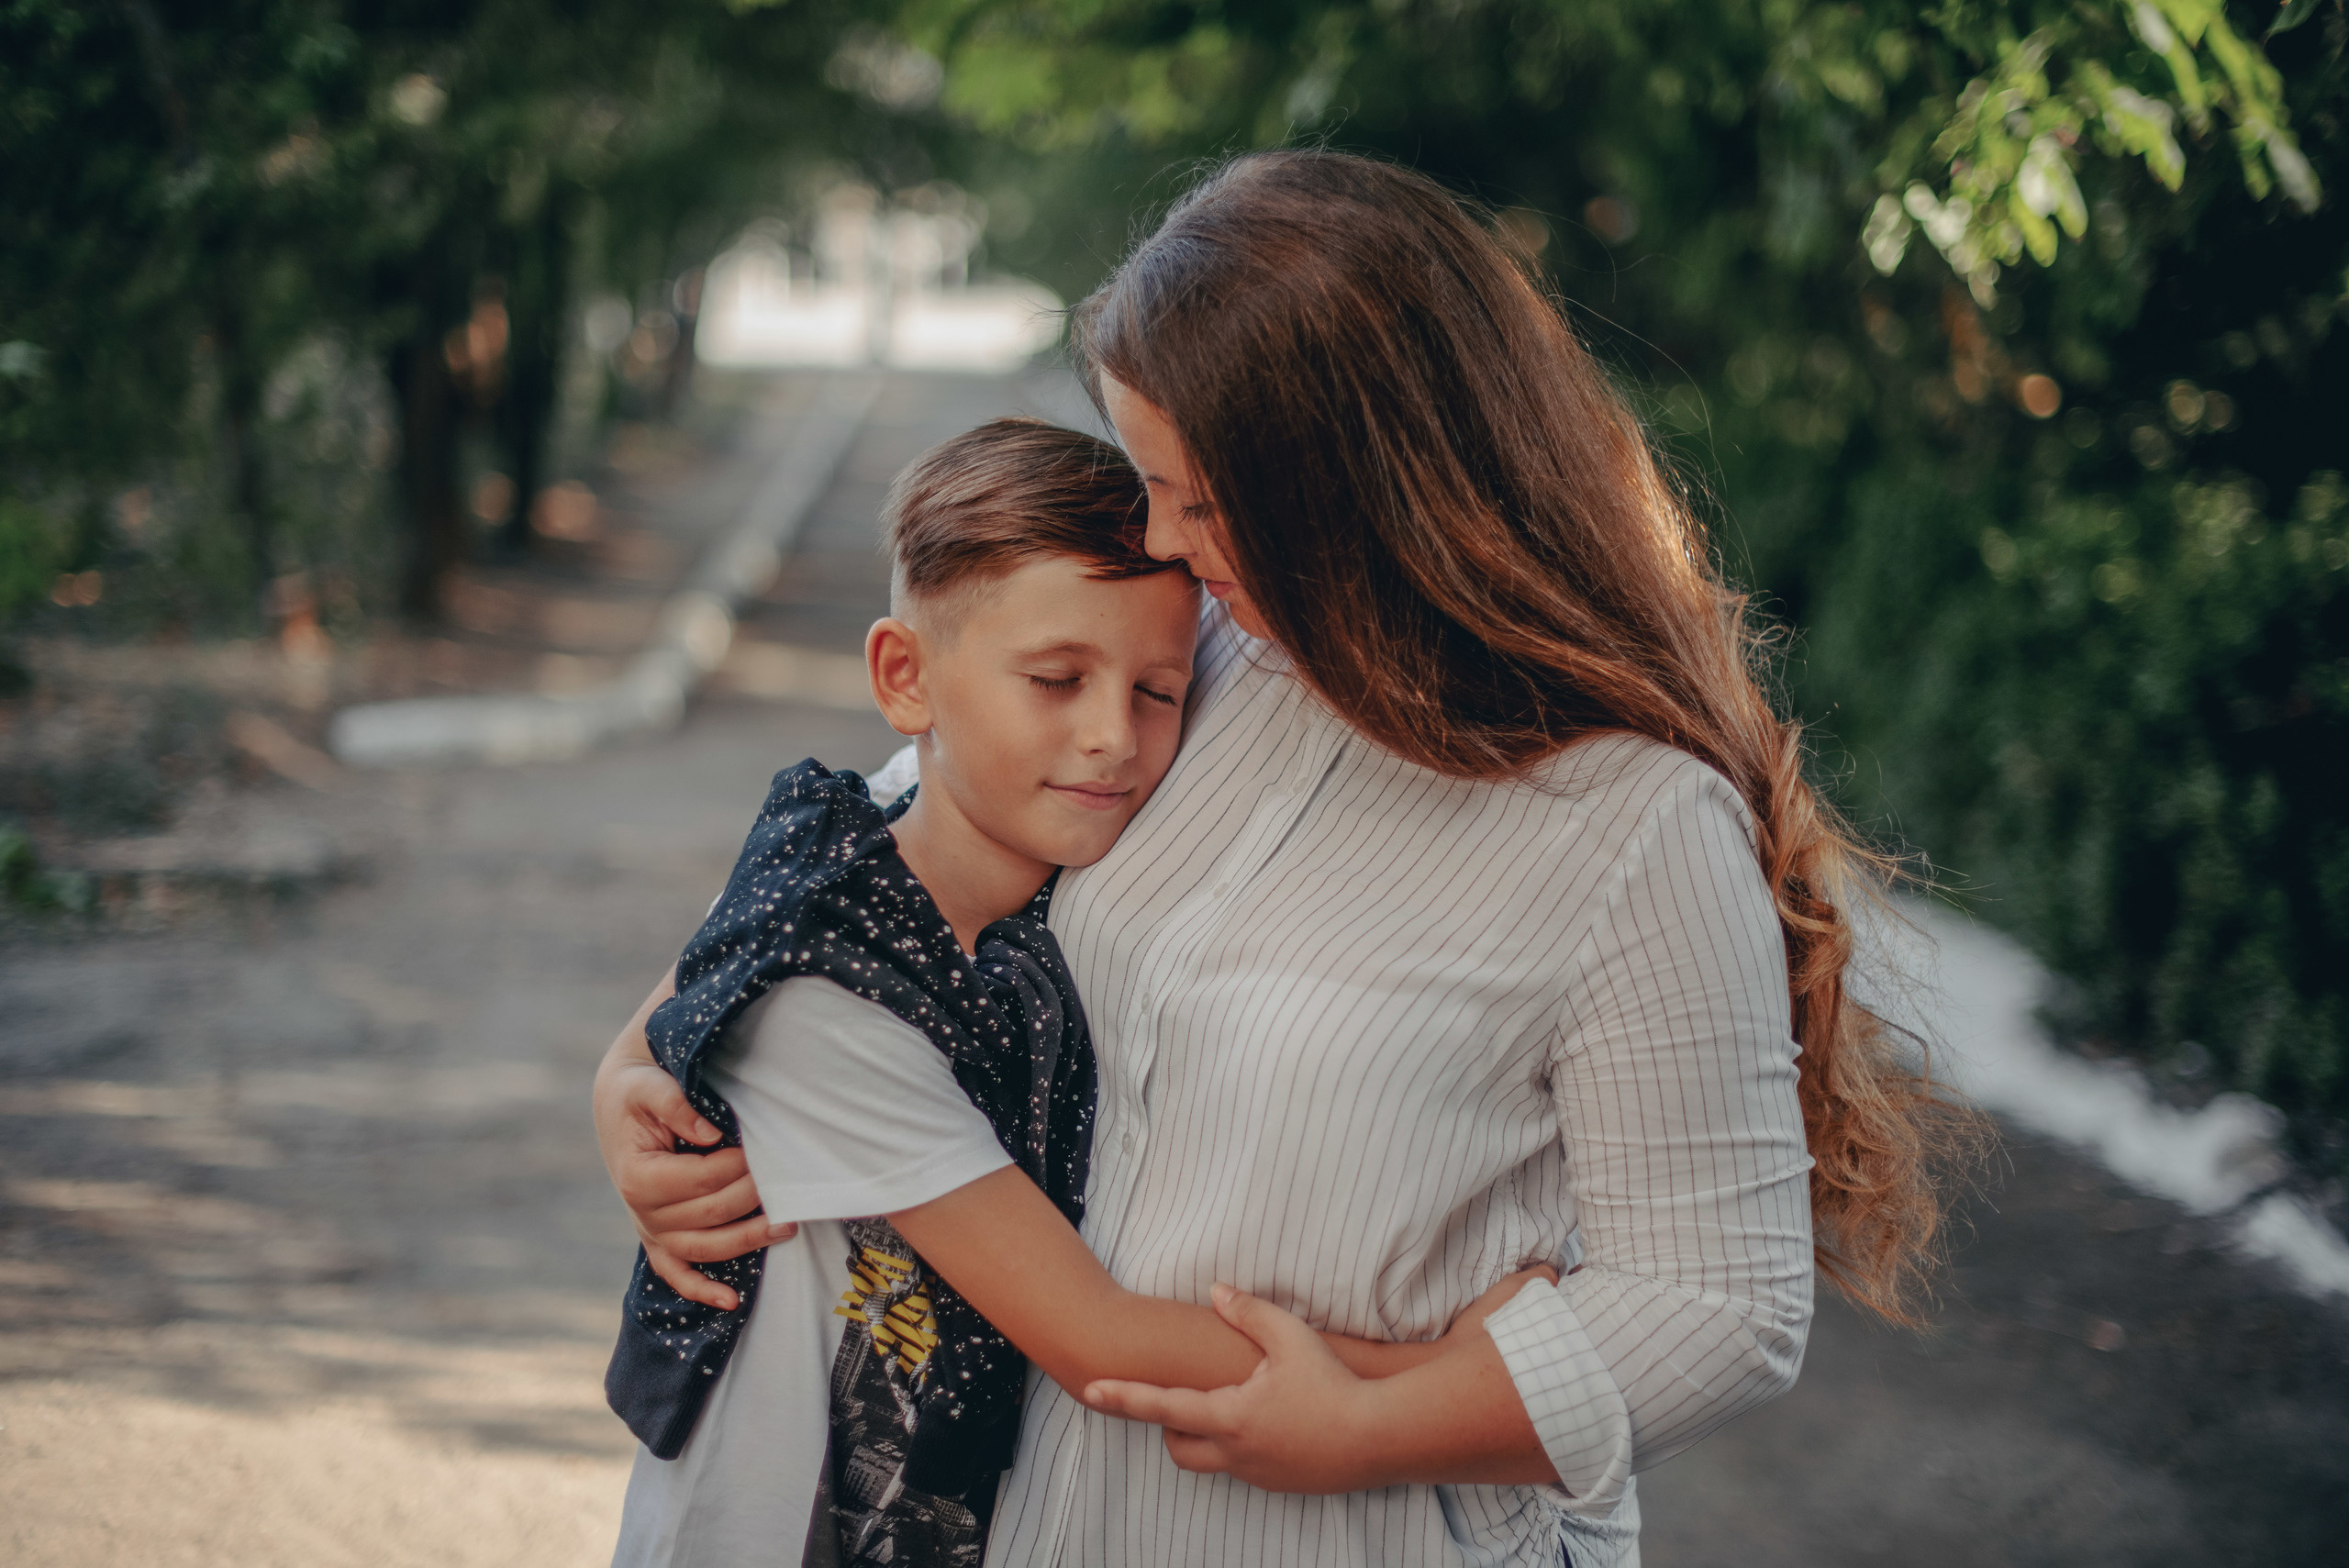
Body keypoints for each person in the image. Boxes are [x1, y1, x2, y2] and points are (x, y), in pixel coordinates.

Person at [597, 150, 1976, 1568]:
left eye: (1196, 497)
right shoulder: (1201, 653)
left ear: (1367, 491)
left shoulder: (1630, 821)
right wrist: (649, 1063)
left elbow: (1723, 1307)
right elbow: (883, 848)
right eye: (1149, 486)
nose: (1157, 538)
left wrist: (1384, 1420)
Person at [607, 417, 1544, 1568]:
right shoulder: (822, 990)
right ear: (907, 677)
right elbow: (1092, 1335)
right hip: (776, 1524)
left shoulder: (1063, 872)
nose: (1112, 738)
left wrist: (624, 1070)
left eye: (1158, 690)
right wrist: (1465, 1386)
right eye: (1056, 680)